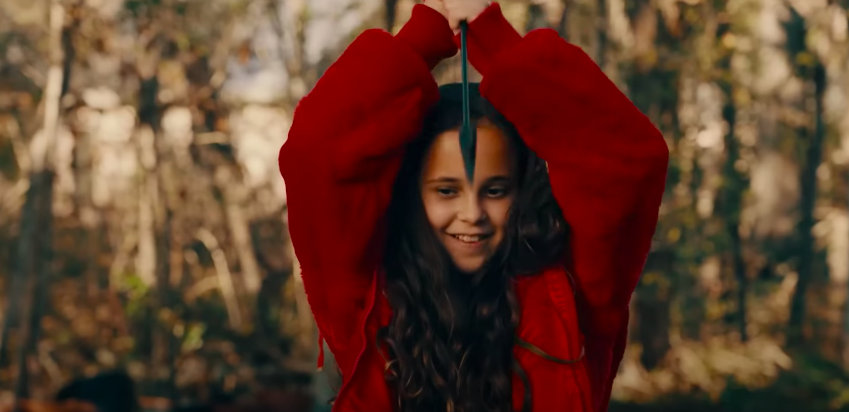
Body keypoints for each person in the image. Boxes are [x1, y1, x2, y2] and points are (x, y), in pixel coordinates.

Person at [278, 0, 669, 411]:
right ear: (414, 196)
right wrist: (425, 34)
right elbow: (315, 153)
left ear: (521, 193)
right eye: (447, 190)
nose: (472, 213)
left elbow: (630, 160)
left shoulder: (572, 296)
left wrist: (491, 36)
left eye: (495, 190)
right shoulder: (364, 297)